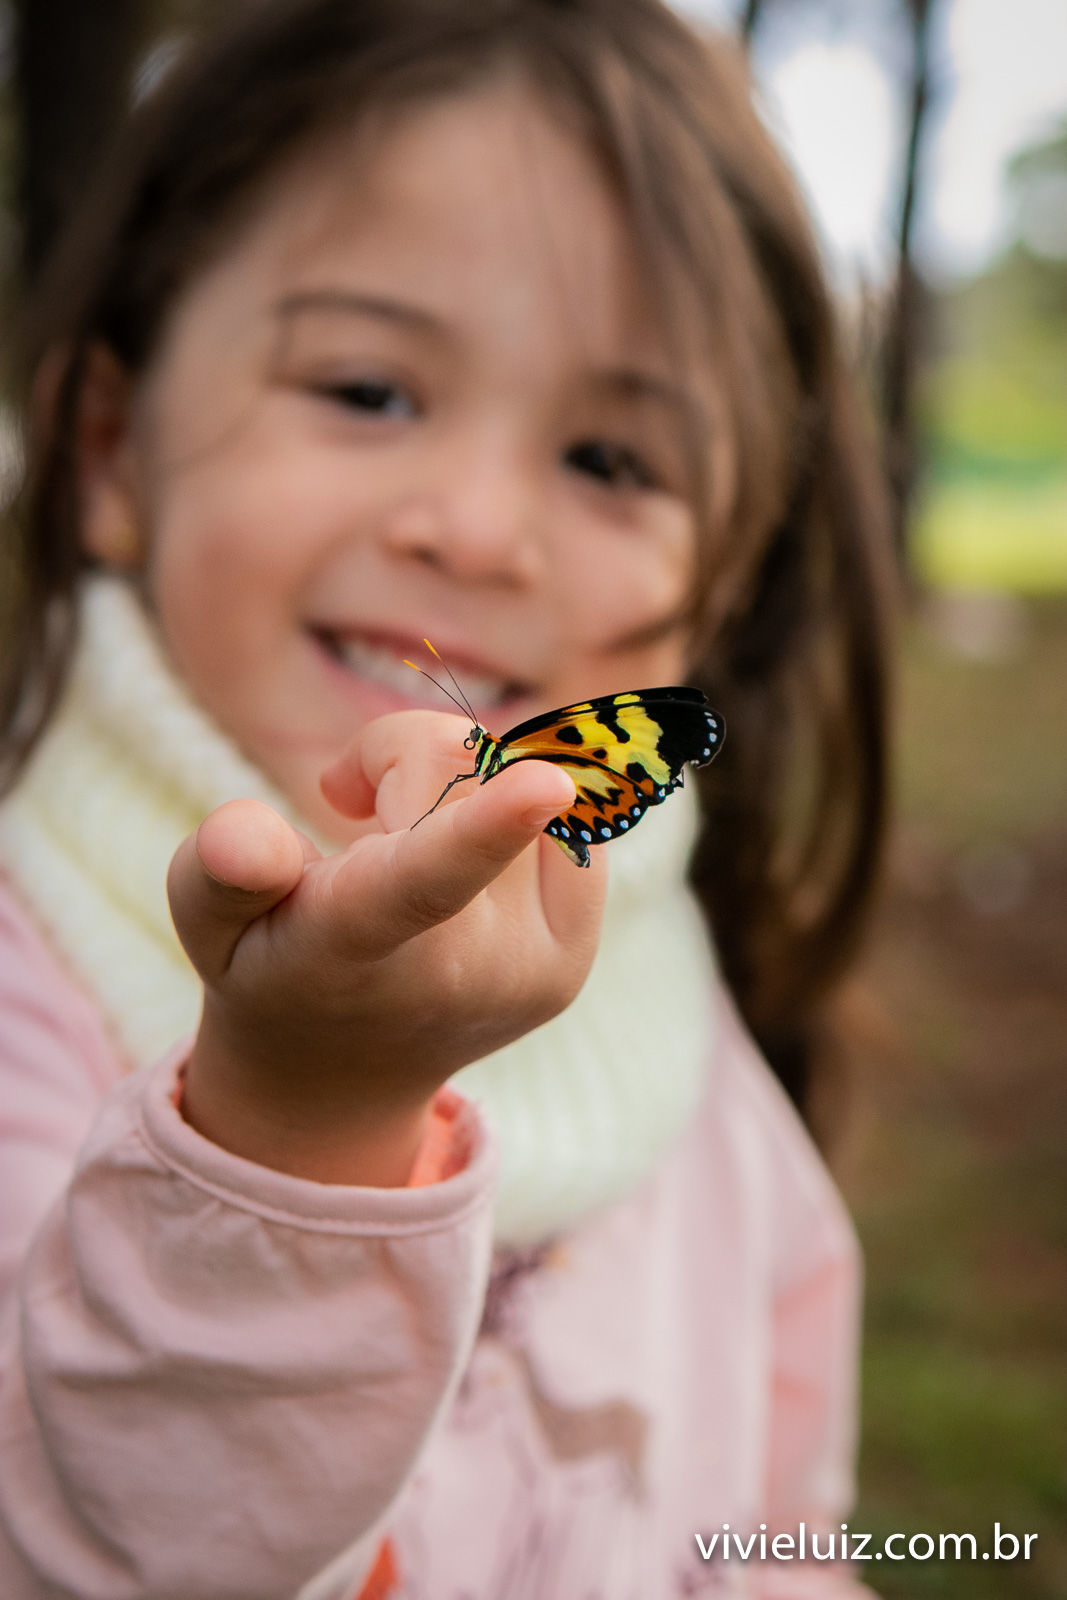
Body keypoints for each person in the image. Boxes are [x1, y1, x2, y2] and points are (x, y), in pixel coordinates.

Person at [0, 1, 894, 1595]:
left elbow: (774, 1528)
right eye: (367, 389)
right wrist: (303, 1113)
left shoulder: (684, 1041)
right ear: (111, 447)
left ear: (721, 588)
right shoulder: (29, 980)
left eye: (613, 462)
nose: (479, 534)